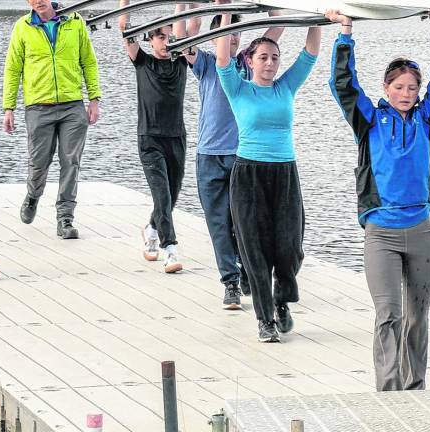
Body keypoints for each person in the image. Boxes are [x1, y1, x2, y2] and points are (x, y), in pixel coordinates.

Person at [326, 9, 430, 391]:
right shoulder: (368, 120)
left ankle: (414, 387)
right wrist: (346, 32)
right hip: (381, 234)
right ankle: (389, 392)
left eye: (412, 88)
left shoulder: (428, 118)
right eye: (399, 87)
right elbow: (343, 85)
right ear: (386, 88)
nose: (406, 94)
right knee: (388, 315)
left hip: (421, 232)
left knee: (418, 317)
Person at [214, 2, 321, 342]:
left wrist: (316, 14)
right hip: (248, 176)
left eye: (275, 58)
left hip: (285, 174)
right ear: (249, 60)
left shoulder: (285, 87)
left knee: (290, 247)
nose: (271, 63)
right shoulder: (237, 87)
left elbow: (310, 52)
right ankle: (265, 320)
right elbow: (221, 57)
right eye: (263, 57)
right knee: (254, 251)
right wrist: (224, 10)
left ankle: (282, 299)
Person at [179, 5, 284, 310]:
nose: (233, 38)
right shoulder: (209, 64)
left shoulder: (248, 64)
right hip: (209, 154)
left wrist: (266, 6)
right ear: (215, 38)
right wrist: (216, 9)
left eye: (237, 33)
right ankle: (230, 283)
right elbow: (183, 41)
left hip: (241, 156)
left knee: (243, 220)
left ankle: (246, 268)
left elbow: (276, 29)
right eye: (227, 33)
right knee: (218, 223)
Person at [2, 0, 102, 239]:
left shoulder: (75, 22)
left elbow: (88, 60)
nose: (38, 0)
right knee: (39, 163)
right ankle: (33, 195)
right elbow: (13, 68)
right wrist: (9, 107)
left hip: (72, 106)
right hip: (38, 107)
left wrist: (94, 98)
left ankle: (65, 218)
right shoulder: (22, 26)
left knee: (71, 162)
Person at [118, 1, 196, 273]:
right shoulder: (142, 62)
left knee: (170, 198)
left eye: (168, 36)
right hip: (149, 139)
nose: (165, 42)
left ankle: (152, 228)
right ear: (150, 41)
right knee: (162, 196)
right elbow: (124, 29)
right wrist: (125, 4)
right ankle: (170, 249)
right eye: (160, 37)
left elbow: (186, 26)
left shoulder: (181, 64)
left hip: (176, 138)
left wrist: (182, 5)